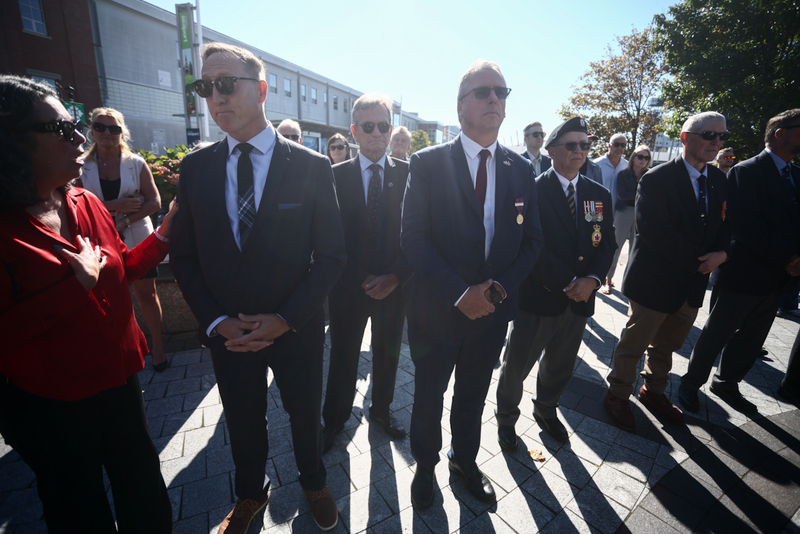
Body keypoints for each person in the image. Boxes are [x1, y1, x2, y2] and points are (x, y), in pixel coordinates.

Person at [170, 43, 346, 533]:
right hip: (229, 333)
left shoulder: (311, 167)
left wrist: (286, 318)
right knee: (243, 420)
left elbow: (332, 256)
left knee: (304, 415)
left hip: (296, 328)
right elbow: (183, 256)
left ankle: (313, 481)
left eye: (226, 84)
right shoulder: (196, 168)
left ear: (262, 89)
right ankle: (250, 493)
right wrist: (216, 321)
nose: (215, 97)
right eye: (207, 88)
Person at [0, 75, 175, 533]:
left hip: (119, 381)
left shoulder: (87, 202)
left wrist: (165, 235)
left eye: (78, 123)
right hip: (50, 403)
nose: (81, 136)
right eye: (61, 129)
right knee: (77, 505)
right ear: (13, 143)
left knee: (143, 488)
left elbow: (120, 270)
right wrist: (72, 287)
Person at [401, 59, 543, 508]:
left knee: (473, 394)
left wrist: (494, 292)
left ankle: (464, 460)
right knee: (428, 395)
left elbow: (533, 240)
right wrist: (460, 293)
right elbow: (413, 238)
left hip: (492, 312)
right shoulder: (427, 163)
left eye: (501, 93)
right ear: (460, 105)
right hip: (438, 310)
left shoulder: (520, 168)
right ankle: (425, 466)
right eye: (483, 92)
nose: (494, 100)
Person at [604, 111, 731, 433]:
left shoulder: (718, 180)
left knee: (667, 345)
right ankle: (618, 393)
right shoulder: (657, 178)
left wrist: (723, 254)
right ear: (686, 138)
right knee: (635, 343)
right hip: (655, 282)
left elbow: (726, 227)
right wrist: (703, 260)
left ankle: (654, 391)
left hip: (691, 285)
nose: (716, 142)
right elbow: (655, 231)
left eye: (722, 137)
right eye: (709, 135)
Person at [495, 117, 615, 446]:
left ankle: (546, 409)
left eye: (585, 145)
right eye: (571, 145)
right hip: (540, 297)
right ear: (551, 151)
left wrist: (591, 280)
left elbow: (607, 243)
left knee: (560, 365)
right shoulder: (533, 190)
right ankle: (506, 417)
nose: (580, 151)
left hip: (579, 300)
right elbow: (530, 245)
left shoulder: (598, 193)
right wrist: (569, 281)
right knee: (516, 366)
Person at [680, 109, 800, 414]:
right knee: (717, 334)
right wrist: (789, 258)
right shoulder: (746, 171)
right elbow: (747, 226)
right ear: (780, 133)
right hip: (743, 274)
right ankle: (691, 384)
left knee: (752, 338)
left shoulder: (796, 175)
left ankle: (727, 383)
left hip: (777, 278)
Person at [322, 93, 412, 453]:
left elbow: (420, 233)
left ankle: (381, 411)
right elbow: (328, 237)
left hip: (396, 286)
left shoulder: (410, 174)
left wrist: (395, 277)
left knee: (387, 355)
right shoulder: (332, 176)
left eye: (383, 126)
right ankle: (334, 420)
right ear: (354, 131)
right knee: (343, 354)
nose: (377, 133)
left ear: (390, 129)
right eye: (368, 126)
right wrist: (361, 277)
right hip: (348, 287)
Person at [78, 107, 169, 371]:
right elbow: (76, 205)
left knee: (146, 293)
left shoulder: (135, 163)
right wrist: (114, 204)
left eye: (114, 128)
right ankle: (116, 348)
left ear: (122, 132)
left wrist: (125, 219)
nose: (107, 133)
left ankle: (158, 348)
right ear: (92, 130)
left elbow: (154, 201)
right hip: (97, 238)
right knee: (104, 295)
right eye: (100, 127)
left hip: (136, 234)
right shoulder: (82, 166)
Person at [601, 145, 651, 295]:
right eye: (640, 156)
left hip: (642, 214)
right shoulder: (624, 174)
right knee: (615, 248)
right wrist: (642, 190)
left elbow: (652, 196)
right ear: (633, 158)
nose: (643, 160)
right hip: (624, 213)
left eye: (646, 157)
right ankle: (607, 280)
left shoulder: (650, 175)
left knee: (635, 251)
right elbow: (622, 195)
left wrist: (636, 192)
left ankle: (629, 283)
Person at [594, 133, 628, 289]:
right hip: (598, 213)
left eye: (623, 145)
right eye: (616, 144)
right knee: (595, 244)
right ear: (609, 145)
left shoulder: (627, 166)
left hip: (620, 214)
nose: (619, 148)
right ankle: (593, 275)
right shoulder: (597, 165)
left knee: (615, 246)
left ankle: (608, 278)